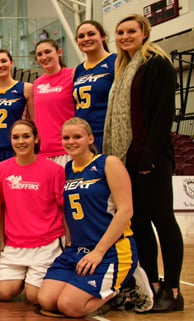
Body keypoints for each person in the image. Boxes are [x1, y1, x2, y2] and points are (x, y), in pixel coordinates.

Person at [105, 13, 183, 312]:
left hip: (151, 158)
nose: (125, 36)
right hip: (127, 160)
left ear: (145, 32)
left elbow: (163, 114)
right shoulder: (123, 68)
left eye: (131, 31)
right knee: (137, 223)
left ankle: (173, 290)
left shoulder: (156, 63)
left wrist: (149, 156)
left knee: (163, 220)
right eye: (120, 32)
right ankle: (150, 283)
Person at [37, 117, 151, 317]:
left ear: (90, 138)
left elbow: (126, 211)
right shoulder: (69, 169)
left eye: (77, 137)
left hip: (110, 249)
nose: (70, 141)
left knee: (69, 306)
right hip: (78, 249)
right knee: (46, 300)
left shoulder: (108, 163)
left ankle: (126, 286)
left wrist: (98, 251)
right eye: (66, 137)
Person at [0, 120, 64, 305]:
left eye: (26, 136)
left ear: (36, 139)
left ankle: (33, 279)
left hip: (46, 243)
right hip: (15, 243)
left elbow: (64, 209)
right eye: (16, 137)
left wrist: (67, 242)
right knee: (3, 293)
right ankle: (23, 276)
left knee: (35, 296)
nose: (21, 141)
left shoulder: (55, 170)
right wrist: (1, 242)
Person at [0, 49, 34, 182]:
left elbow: (33, 122)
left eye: (4, 61)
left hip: (15, 149)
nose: (0, 65)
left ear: (11, 63)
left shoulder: (26, 88)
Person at [73, 20, 116, 152]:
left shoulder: (116, 61)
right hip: (83, 137)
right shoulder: (78, 70)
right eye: (81, 36)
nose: (86, 39)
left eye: (91, 34)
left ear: (102, 36)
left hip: (107, 134)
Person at [33, 39, 74, 167]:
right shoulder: (37, 83)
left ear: (59, 52)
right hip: (44, 150)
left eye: (47, 52)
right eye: (39, 54)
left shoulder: (72, 75)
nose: (44, 57)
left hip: (67, 148)